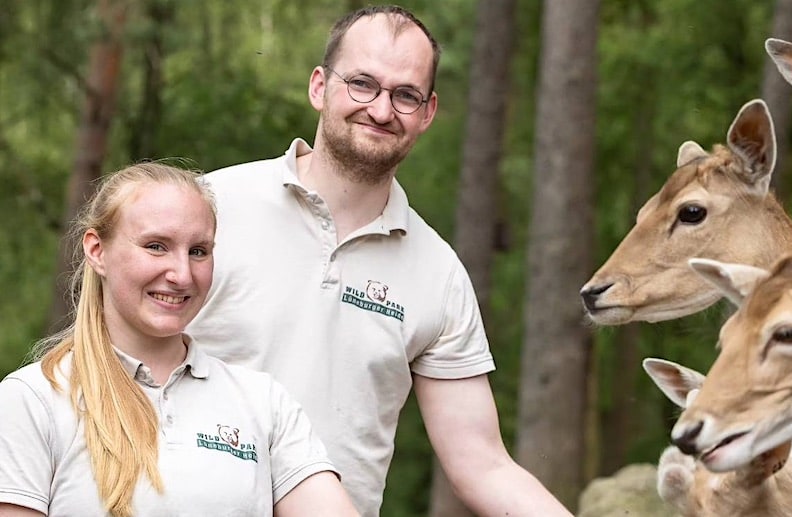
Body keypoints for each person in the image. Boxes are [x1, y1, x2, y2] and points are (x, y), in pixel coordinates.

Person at [186, 5, 572, 516]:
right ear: (320, 87)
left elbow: (482, 463)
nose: (382, 110)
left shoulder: (438, 274)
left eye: (405, 95)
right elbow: (111, 369)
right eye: (362, 84)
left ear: (428, 112)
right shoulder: (209, 207)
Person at [0, 163, 359, 517]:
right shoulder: (33, 400)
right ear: (97, 251)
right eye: (156, 246)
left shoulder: (264, 403)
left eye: (198, 251)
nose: (182, 274)